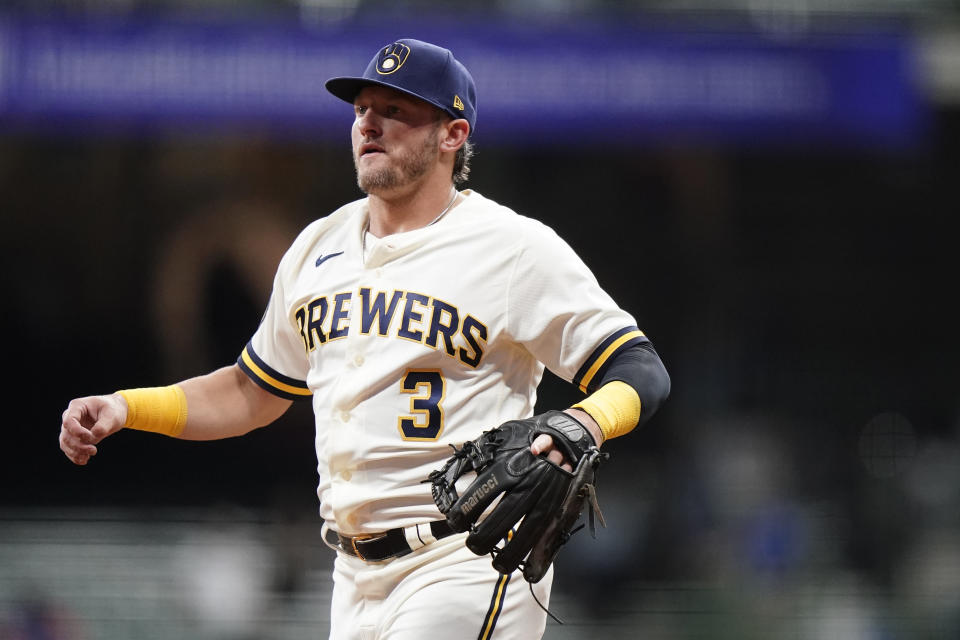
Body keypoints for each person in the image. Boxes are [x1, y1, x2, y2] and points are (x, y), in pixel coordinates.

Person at [59, 38, 671, 640]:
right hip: (351, 577)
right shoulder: (316, 247)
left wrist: (582, 424)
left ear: (452, 135)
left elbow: (640, 370)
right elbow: (250, 390)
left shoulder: (512, 248)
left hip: (462, 558)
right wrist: (125, 407)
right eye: (361, 109)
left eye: (396, 110)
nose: (369, 124)